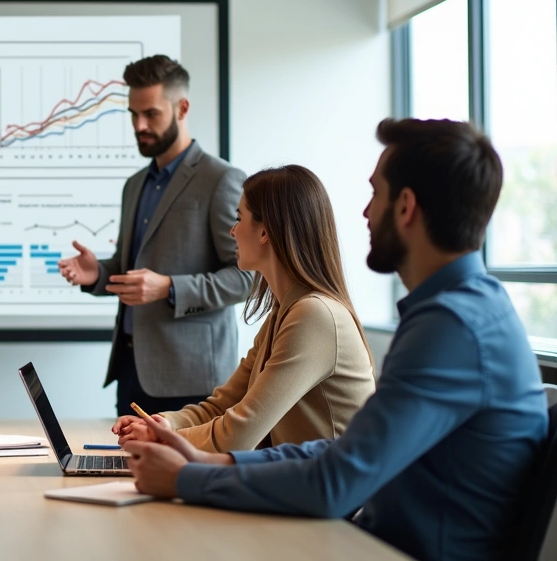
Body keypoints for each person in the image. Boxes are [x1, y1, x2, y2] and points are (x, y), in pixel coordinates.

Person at [122, 119, 548, 561]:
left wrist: (185, 478)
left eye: (374, 194)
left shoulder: (452, 327)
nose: (364, 212)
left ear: (405, 207)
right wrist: (203, 463)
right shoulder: (459, 313)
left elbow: (336, 481)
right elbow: (341, 452)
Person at [112, 165, 376, 452]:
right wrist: (161, 423)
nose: (233, 230)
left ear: (265, 232)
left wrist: (162, 438)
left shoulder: (314, 316)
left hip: (328, 494)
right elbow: (222, 406)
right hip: (298, 486)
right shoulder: (284, 315)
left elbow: (238, 434)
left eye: (239, 218)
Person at [58, 55, 254, 415]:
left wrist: (170, 288)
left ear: (182, 108)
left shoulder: (221, 180)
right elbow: (135, 269)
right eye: (134, 115)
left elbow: (248, 277)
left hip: (194, 381)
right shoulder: (135, 185)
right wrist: (97, 274)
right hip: (132, 373)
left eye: (151, 114)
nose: (140, 125)